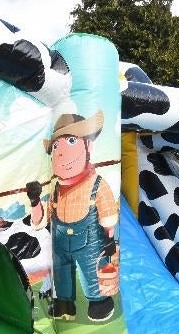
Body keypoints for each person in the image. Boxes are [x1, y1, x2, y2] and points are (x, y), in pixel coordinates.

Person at [27, 111, 117, 322]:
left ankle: (99, 302)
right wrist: (34, 200)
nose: (59, 153)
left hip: (90, 242)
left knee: (91, 271)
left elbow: (108, 218)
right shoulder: (57, 188)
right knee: (62, 272)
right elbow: (39, 221)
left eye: (71, 140)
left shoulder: (97, 185)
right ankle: (64, 302)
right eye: (56, 146)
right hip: (60, 241)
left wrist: (110, 239)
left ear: (88, 146)